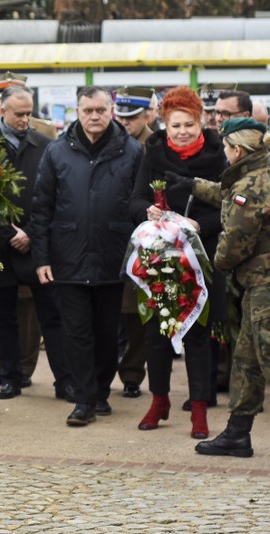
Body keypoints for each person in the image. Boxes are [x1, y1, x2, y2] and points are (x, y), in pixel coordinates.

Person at [30, 86, 143, 426]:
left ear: (112, 111)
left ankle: (101, 392)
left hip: (113, 255)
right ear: (77, 112)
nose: (94, 116)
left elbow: (140, 204)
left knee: (108, 332)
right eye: (87, 110)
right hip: (69, 257)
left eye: (100, 110)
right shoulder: (57, 152)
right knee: (76, 333)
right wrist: (42, 258)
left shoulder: (133, 151)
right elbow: (41, 208)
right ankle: (83, 399)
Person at [166, 118, 270, 458]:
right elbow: (227, 192)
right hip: (257, 285)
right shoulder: (257, 173)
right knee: (246, 360)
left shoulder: (251, 186)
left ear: (237, 150)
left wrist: (210, 266)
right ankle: (238, 434)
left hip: (263, 286)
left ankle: (238, 433)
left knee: (264, 358)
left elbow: (236, 242)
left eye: (226, 149)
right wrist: (192, 185)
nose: (224, 155)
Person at [128, 86, 227, 439]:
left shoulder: (219, 155)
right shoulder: (151, 153)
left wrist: (201, 225)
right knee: (157, 334)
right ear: (164, 126)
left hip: (202, 259)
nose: (182, 131)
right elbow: (134, 198)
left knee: (198, 337)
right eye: (175, 126)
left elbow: (229, 207)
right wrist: (148, 211)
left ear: (200, 122)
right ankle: (159, 401)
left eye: (189, 124)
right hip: (161, 257)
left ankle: (199, 409)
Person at [0, 84, 74, 402]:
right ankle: (10, 378)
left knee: (52, 315)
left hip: (38, 245)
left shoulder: (47, 146)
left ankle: (65, 380)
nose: (26, 120)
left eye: (30, 113)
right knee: (3, 317)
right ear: (1, 111)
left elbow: (55, 195)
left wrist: (31, 231)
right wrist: (9, 233)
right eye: (20, 114)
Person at [113, 86, 155, 399]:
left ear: (147, 115)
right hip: (110, 237)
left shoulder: (155, 145)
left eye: (134, 117)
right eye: (122, 116)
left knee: (136, 313)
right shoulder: (112, 141)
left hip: (141, 239)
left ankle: (131, 374)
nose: (126, 123)